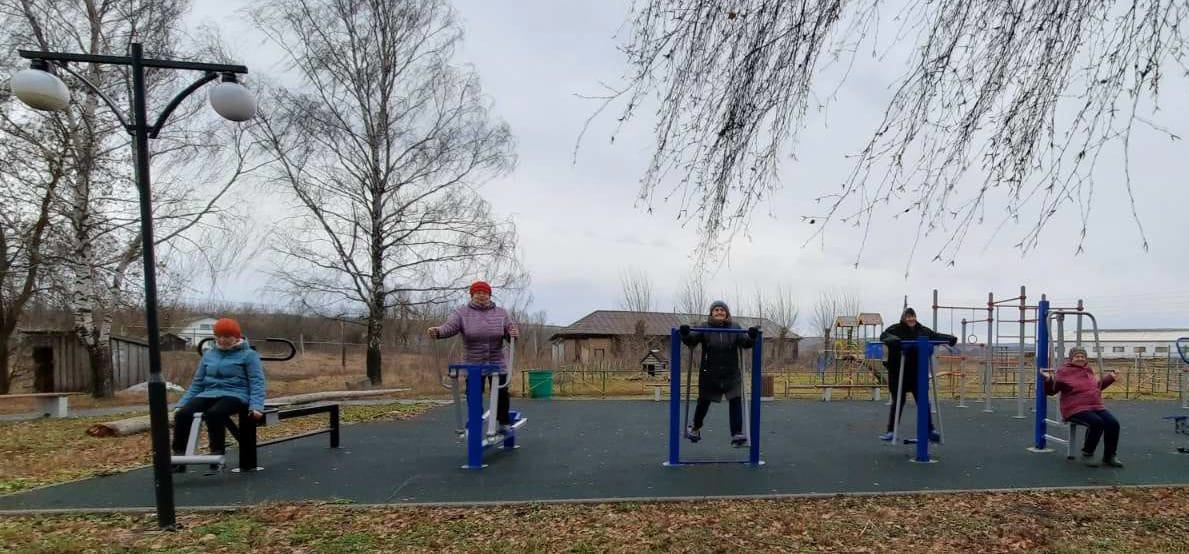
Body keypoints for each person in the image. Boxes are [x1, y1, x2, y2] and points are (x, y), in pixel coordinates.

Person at [172, 318, 266, 472]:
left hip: (236, 394)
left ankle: (217, 453)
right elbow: (197, 383)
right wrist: (182, 403)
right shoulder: (209, 354)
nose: (222, 340)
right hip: (209, 393)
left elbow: (257, 381)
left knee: (214, 413)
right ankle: (179, 456)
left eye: (227, 337)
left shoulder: (248, 355)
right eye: (219, 336)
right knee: (183, 414)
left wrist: (256, 406)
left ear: (236, 337)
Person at [427, 281, 520, 433]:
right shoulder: (461, 313)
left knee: (501, 393)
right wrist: (438, 331)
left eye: (484, 293)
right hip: (473, 361)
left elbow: (510, 331)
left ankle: (503, 422)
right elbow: (450, 327)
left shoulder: (501, 313)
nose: (481, 296)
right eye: (477, 293)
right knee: (473, 393)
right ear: (472, 295)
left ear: (489, 295)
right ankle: (475, 419)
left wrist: (513, 334)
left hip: (497, 360)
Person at [679, 300, 758, 447]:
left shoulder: (735, 327)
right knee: (703, 402)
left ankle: (737, 433)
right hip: (710, 374)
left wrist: (752, 337)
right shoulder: (704, 327)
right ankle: (695, 428)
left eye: (722, 310)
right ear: (711, 313)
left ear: (727, 313)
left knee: (735, 400)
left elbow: (745, 343)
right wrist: (685, 334)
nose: (719, 312)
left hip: (731, 373)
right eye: (716, 310)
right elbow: (691, 340)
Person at [878, 307, 957, 442]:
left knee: (923, 401)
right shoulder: (895, 329)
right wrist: (895, 340)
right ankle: (891, 431)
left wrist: (949, 339)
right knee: (898, 401)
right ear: (904, 318)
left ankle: (929, 430)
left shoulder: (922, 330)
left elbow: (935, 336)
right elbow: (884, 336)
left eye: (913, 316)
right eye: (908, 317)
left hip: (916, 373)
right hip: (898, 372)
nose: (911, 319)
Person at [1042, 346, 1123, 467]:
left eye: (1082, 356)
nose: (1080, 358)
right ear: (1071, 358)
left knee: (1113, 423)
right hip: (1074, 408)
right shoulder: (1063, 371)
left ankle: (1109, 456)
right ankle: (1088, 453)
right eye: (1077, 356)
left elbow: (1097, 387)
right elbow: (1051, 391)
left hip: (1095, 406)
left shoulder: (1088, 370)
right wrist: (1049, 380)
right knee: (1096, 422)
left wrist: (1111, 378)